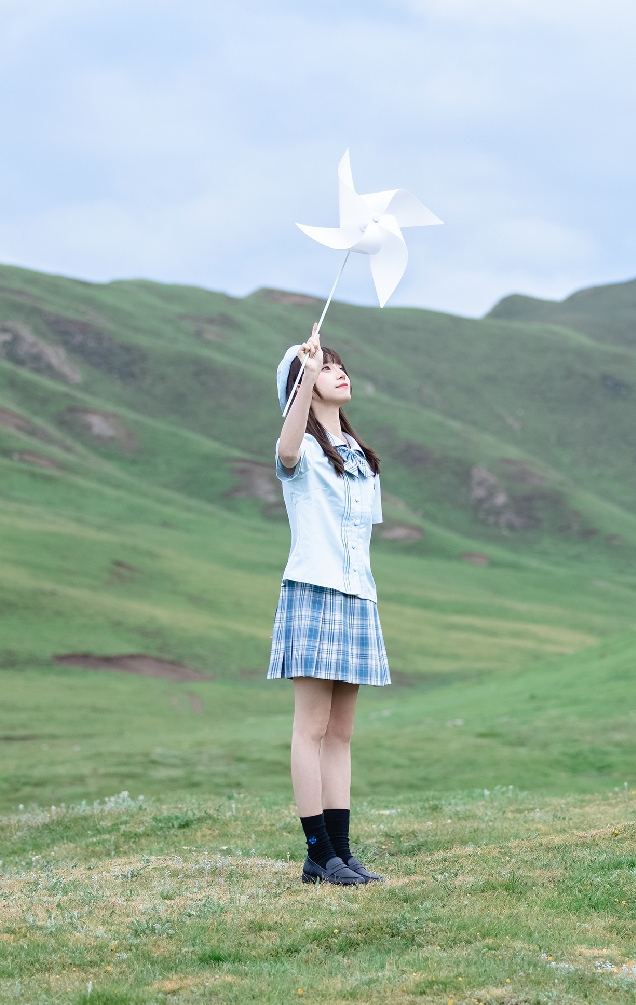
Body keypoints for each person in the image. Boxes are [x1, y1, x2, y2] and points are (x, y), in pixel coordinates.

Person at [269, 325, 390, 886]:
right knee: (311, 726)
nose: (337, 371)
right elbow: (287, 447)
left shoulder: (360, 458)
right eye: (323, 367)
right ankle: (316, 852)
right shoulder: (301, 453)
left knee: (341, 731)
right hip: (315, 591)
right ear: (302, 386)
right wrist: (303, 367)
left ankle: (340, 852)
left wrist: (313, 367)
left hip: (357, 595)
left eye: (339, 364)